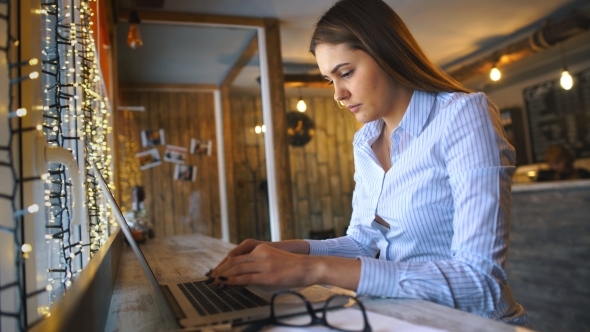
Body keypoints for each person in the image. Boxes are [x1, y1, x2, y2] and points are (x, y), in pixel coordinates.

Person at [209, 0, 529, 326]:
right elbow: (363, 242)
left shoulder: (463, 116)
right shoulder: (365, 141)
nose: (338, 94)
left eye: (345, 73)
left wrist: (311, 269)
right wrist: (287, 252)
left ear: (388, 53)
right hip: (397, 318)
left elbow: (480, 281)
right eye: (329, 80)